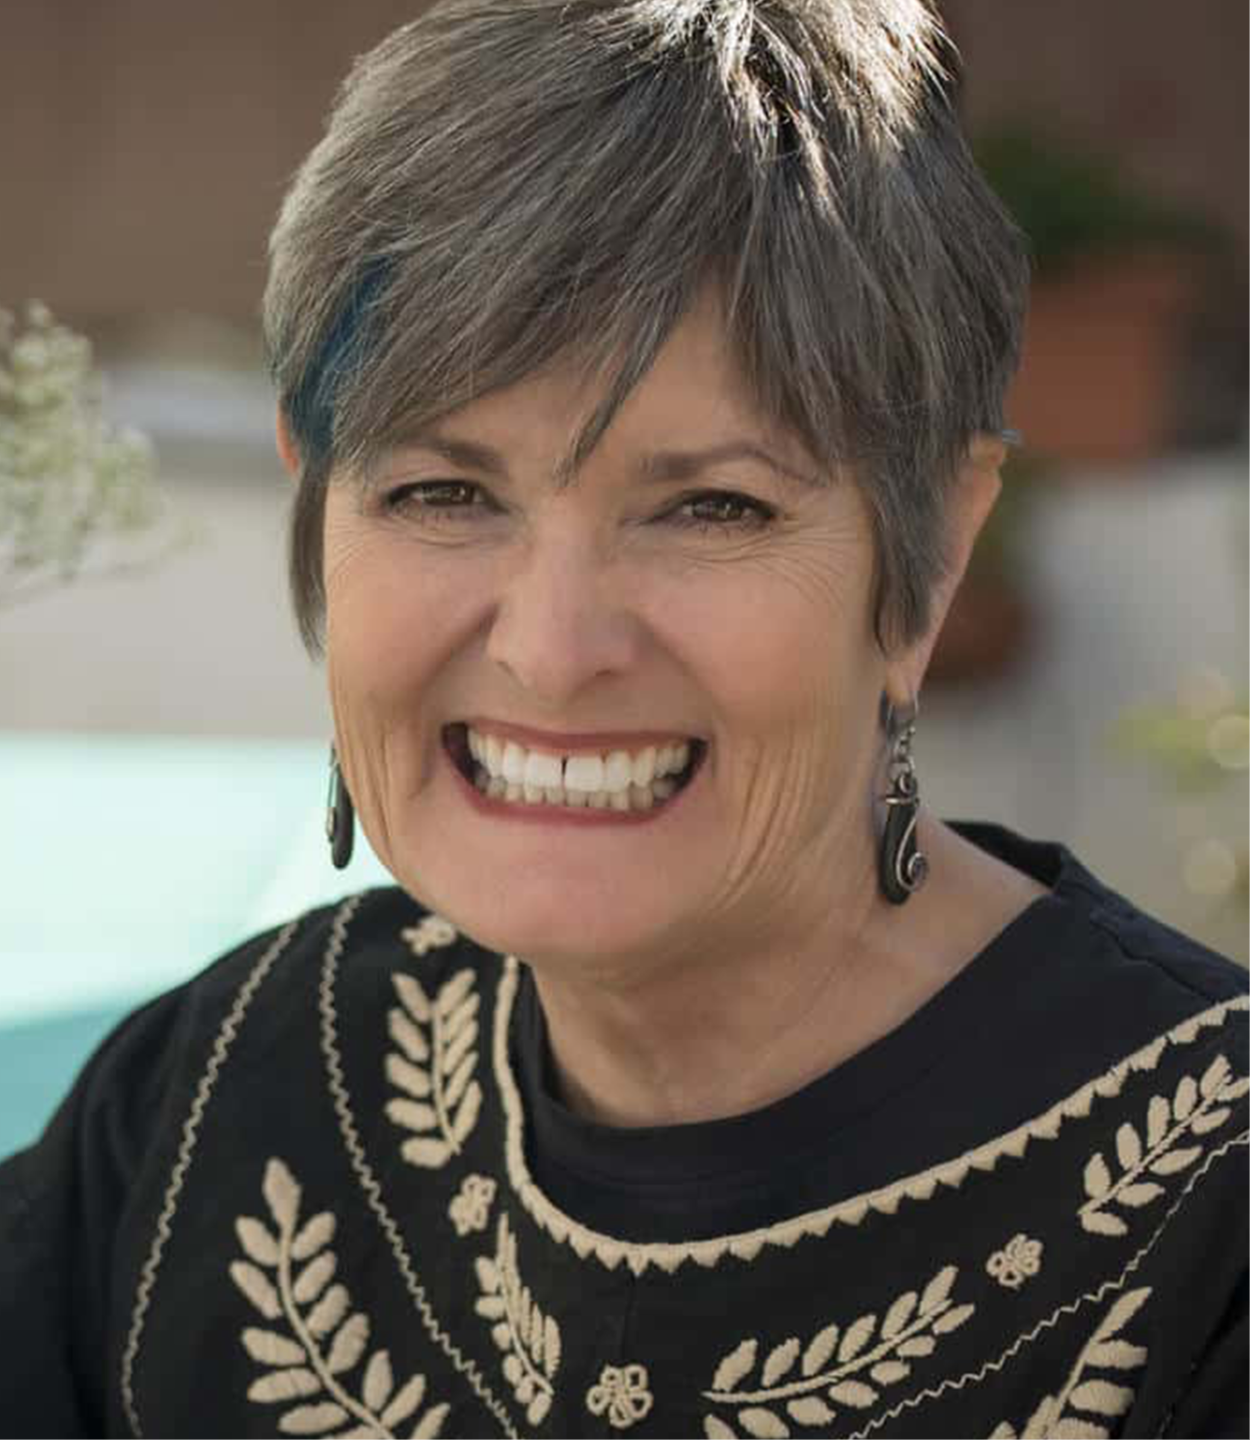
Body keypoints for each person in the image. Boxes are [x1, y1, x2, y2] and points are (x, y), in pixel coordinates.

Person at [3, 2, 1249, 1435]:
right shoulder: (218, 1095)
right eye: (441, 492)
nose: (549, 653)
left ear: (932, 554)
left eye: (710, 507)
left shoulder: (1211, 1238)